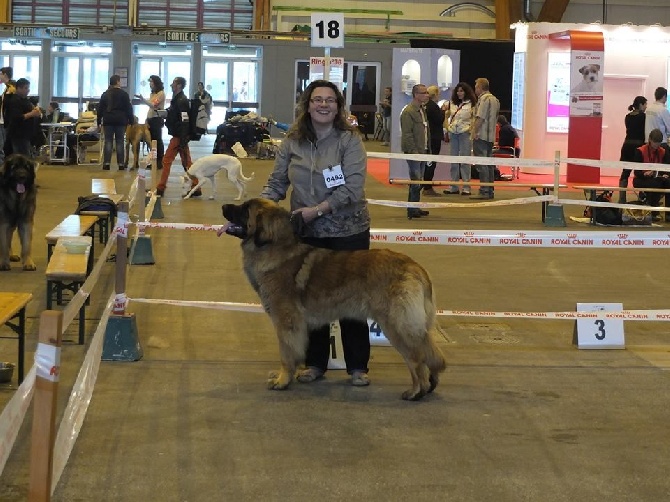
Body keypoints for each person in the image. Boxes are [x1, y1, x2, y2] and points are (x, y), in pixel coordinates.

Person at [260, 79, 372, 387]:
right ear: (307, 104)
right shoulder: (292, 141)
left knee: (352, 300)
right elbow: (277, 183)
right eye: (317, 99)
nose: (324, 105)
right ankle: (314, 364)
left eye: (330, 100)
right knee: (310, 301)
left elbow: (353, 187)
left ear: (338, 106)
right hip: (306, 233)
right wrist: (257, 210)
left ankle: (358, 366)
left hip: (348, 231)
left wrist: (318, 210)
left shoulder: (349, 140)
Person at [156, 77, 200, 197]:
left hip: (179, 137)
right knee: (187, 163)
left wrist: (182, 139)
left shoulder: (181, 101)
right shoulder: (178, 100)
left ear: (179, 86)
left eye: (174, 83)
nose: (171, 85)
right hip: (181, 136)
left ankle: (161, 188)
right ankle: (196, 186)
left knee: (166, 160)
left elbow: (184, 120)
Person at [400, 83, 431, 219]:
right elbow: (407, 134)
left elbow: (425, 131)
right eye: (424, 93)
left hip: (422, 150)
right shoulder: (408, 112)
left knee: (419, 181)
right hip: (414, 152)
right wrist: (414, 152)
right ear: (416, 95)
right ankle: (412, 209)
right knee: (415, 181)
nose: (427, 95)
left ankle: (415, 206)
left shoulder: (422, 110)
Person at [442, 82, 476, 195]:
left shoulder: (472, 104)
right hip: (453, 133)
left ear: (466, 92)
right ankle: (453, 186)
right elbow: (447, 116)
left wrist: (471, 129)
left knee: (465, 160)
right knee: (453, 160)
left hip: (465, 133)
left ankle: (466, 187)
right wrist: (448, 128)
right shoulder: (451, 103)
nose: (459, 93)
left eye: (461, 91)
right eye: (458, 91)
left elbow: (474, 119)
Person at [470, 77, 500, 200]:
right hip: (490, 136)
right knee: (488, 165)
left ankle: (484, 191)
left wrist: (473, 131)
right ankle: (490, 190)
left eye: (476, 86)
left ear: (480, 87)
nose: (475, 89)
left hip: (481, 135)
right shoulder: (495, 100)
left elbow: (480, 118)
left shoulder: (483, 99)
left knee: (482, 164)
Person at [633, 128, 670, 222]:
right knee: (655, 184)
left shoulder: (663, 151)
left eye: (658, 143)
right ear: (649, 139)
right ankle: (653, 212)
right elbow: (636, 172)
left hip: (658, 178)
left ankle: (668, 214)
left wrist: (665, 174)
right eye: (655, 143)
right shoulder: (640, 151)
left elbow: (667, 168)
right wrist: (644, 173)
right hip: (641, 179)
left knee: (668, 183)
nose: (656, 146)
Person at [98, 74, 133, 171]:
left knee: (108, 141)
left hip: (108, 120)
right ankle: (121, 164)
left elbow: (100, 109)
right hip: (121, 121)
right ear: (117, 82)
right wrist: (131, 120)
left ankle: (106, 163)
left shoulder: (105, 94)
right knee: (120, 142)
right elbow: (129, 108)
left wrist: (98, 121)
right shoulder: (124, 94)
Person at [618, 95, 647, 203]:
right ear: (641, 104)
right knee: (641, 173)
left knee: (625, 173)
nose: (646, 107)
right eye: (645, 104)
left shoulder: (628, 116)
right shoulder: (643, 116)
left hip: (626, 146)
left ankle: (621, 199)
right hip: (638, 147)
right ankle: (642, 198)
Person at [4, 78, 42, 157]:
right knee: (21, 158)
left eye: (28, 88)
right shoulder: (14, 101)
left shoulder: (25, 100)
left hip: (26, 134)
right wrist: (31, 114)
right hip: (18, 134)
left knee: (25, 157)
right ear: (18, 88)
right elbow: (16, 118)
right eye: (25, 88)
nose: (28, 90)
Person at [136, 75, 166, 168]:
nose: (150, 84)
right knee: (151, 141)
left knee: (157, 140)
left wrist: (143, 100)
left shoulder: (161, 93)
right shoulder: (152, 94)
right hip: (150, 119)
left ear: (156, 83)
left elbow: (153, 105)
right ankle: (153, 161)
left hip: (157, 119)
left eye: (151, 82)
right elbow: (150, 106)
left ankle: (159, 161)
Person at [423, 85, 445, 197]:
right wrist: (444, 112)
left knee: (428, 162)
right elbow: (439, 120)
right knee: (432, 162)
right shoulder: (433, 107)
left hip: (428, 137)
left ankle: (425, 184)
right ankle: (427, 187)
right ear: (435, 95)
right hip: (434, 137)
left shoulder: (425, 106)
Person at [0, 66, 15, 163]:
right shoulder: (6, 88)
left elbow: (10, 105)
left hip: (5, 122)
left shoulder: (11, 88)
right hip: (3, 121)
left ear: (4, 75)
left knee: (1, 146)